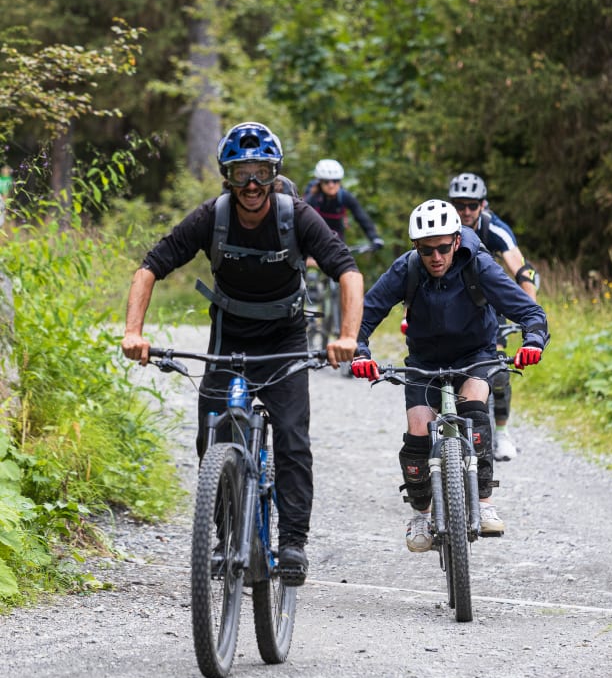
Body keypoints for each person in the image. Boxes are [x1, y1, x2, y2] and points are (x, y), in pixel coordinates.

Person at [121, 122, 364, 585]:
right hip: (228, 336)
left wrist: (347, 337)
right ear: (226, 177)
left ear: (275, 175)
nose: (251, 185)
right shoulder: (211, 217)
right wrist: (134, 331)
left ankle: (292, 541)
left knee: (292, 438)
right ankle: (223, 533)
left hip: (285, 339)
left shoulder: (298, 217)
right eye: (240, 174)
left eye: (261, 173)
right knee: (209, 437)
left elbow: (348, 273)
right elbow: (150, 267)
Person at [351, 199, 549, 550]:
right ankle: (421, 514)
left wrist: (532, 340)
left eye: (444, 247)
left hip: (475, 355)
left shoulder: (479, 266)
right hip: (424, 361)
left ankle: (484, 503)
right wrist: (360, 352)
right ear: (416, 247)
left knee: (474, 407)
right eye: (427, 250)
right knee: (417, 435)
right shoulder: (406, 269)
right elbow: (364, 316)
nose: (436, 257)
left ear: (457, 241)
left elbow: (529, 311)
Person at [448, 172, 540, 462]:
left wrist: (530, 313)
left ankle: (501, 432)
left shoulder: (494, 228)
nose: (465, 212)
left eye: (471, 206)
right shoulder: (443, 225)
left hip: (489, 305)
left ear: (482, 205)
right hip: (450, 305)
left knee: (497, 370)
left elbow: (522, 270)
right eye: (459, 205)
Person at [305, 159, 384, 250]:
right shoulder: (312, 198)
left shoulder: (345, 196)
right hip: (314, 240)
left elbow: (361, 216)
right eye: (326, 181)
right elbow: (302, 222)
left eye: (335, 181)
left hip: (337, 240)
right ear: (320, 182)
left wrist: (374, 237)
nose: (331, 185)